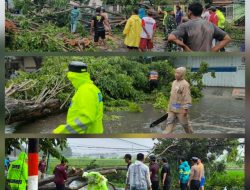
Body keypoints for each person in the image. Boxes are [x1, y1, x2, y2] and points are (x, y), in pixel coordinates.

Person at [53, 61, 104, 134]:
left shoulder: (85, 91)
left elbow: (86, 119)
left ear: (72, 76)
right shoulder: (92, 88)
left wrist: (61, 131)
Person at [164, 67, 193, 134]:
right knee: (169, 124)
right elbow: (172, 96)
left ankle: (192, 136)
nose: (175, 74)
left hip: (181, 109)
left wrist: (186, 110)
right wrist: (168, 108)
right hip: (172, 109)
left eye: (178, 73)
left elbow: (187, 97)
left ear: (182, 75)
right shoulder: (174, 82)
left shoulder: (185, 84)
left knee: (186, 126)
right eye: (175, 72)